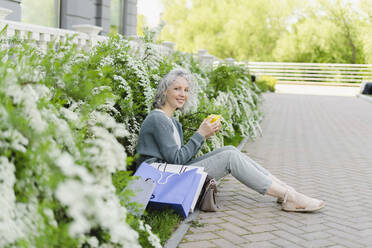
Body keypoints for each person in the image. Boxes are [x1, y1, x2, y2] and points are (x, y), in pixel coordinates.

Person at [137, 68, 325, 212]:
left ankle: (285, 190)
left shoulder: (172, 122)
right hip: (160, 183)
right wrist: (200, 134)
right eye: (176, 88)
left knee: (230, 151)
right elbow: (176, 161)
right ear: (164, 91)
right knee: (229, 158)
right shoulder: (157, 119)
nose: (182, 94)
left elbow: (180, 160)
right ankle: (288, 196)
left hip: (172, 174)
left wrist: (203, 135)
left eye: (186, 90)